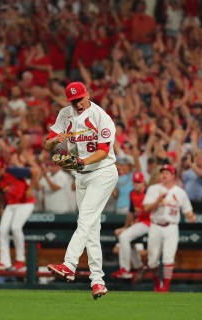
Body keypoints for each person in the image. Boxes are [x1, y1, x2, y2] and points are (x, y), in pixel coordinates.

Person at [45, 81, 118, 300]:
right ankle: (98, 281)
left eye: (80, 98)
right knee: (91, 229)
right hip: (82, 176)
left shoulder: (100, 116)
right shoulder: (65, 114)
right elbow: (49, 144)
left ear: (88, 95)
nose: (77, 103)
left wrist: (81, 162)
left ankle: (69, 265)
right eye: (73, 100)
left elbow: (104, 151)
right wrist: (54, 142)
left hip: (103, 172)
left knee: (84, 220)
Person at [143, 164, 196, 292]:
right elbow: (146, 208)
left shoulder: (180, 192)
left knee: (168, 258)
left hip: (171, 227)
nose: (164, 174)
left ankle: (165, 287)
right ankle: (157, 284)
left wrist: (191, 217)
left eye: (167, 172)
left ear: (173, 176)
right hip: (155, 225)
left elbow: (188, 211)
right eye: (162, 172)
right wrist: (158, 201)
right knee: (152, 260)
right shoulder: (153, 189)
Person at [0, 165, 39, 271]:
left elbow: (35, 171)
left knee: (16, 228)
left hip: (25, 203)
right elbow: (2, 194)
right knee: (2, 230)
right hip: (11, 204)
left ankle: (20, 260)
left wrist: (30, 189)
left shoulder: (11, 171)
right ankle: (4, 262)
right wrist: (2, 207)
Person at [111, 171, 149, 281]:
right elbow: (131, 212)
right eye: (135, 182)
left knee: (124, 237)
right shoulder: (132, 193)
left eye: (139, 182)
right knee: (128, 240)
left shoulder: (148, 192)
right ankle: (140, 266)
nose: (137, 184)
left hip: (150, 223)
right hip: (140, 223)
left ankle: (125, 270)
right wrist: (125, 227)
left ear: (143, 183)